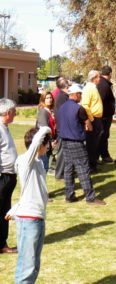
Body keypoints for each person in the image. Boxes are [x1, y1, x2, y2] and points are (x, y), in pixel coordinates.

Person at [6, 127, 51, 283]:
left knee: (34, 265)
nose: (48, 146)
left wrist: (15, 208)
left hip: (37, 217)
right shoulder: (26, 161)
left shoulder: (37, 163)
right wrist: (46, 129)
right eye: (47, 143)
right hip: (29, 219)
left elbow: (28, 190)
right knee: (27, 265)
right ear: (39, 145)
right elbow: (36, 142)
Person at [57, 84, 106, 205]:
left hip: (64, 140)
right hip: (76, 141)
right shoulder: (79, 109)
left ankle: (69, 195)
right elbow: (89, 126)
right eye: (80, 94)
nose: (81, 96)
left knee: (68, 168)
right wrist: (86, 127)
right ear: (76, 94)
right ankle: (90, 197)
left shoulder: (62, 107)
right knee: (83, 168)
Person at [0, 98, 18, 254]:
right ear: (7, 113)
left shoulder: (4, 127)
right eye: (14, 112)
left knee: (5, 210)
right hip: (3, 177)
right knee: (2, 211)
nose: (16, 114)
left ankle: (2, 243)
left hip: (9, 175)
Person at [81, 70, 104, 173]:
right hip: (93, 118)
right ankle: (90, 165)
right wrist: (91, 119)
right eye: (99, 77)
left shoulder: (93, 88)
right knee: (91, 143)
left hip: (97, 118)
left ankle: (93, 163)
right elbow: (85, 105)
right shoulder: (88, 88)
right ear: (94, 78)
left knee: (95, 142)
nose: (100, 79)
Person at [97, 66, 116, 164]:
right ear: (110, 74)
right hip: (103, 116)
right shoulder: (104, 85)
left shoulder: (103, 83)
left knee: (104, 135)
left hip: (104, 115)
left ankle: (103, 155)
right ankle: (103, 156)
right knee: (103, 135)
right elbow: (102, 100)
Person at [53, 77, 71, 180]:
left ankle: (63, 172)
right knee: (62, 151)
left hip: (63, 127)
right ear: (65, 85)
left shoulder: (63, 96)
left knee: (65, 151)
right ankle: (59, 174)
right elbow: (64, 112)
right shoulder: (62, 97)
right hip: (63, 127)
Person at [36, 91, 56, 172]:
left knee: (46, 166)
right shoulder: (43, 111)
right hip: (43, 143)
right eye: (47, 98)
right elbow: (44, 128)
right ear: (43, 100)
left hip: (50, 142)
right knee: (43, 167)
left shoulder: (50, 111)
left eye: (50, 98)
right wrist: (50, 141)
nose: (49, 100)